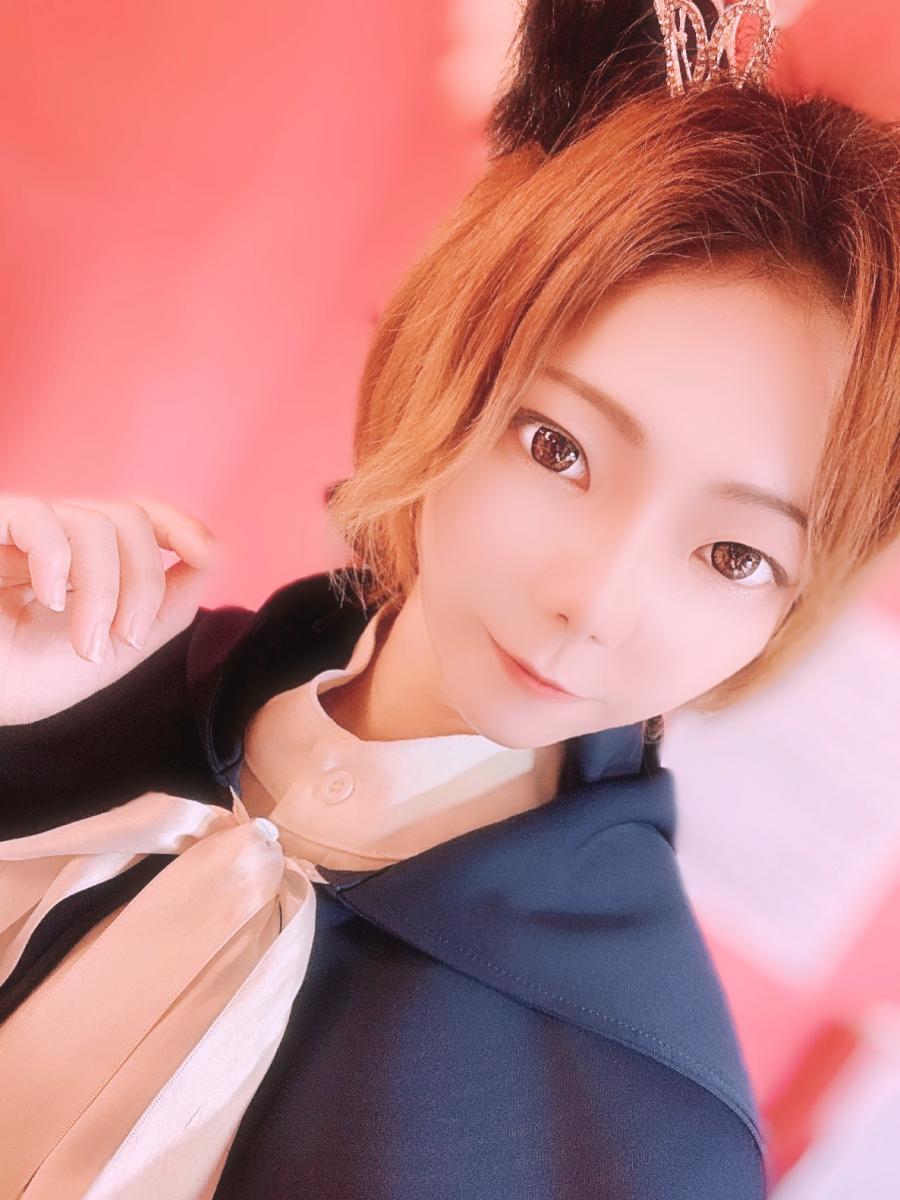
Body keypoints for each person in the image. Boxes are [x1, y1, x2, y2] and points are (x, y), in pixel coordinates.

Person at [1, 1, 898, 1197]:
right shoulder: (88, 688)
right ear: (449, 364)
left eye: (734, 557)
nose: (595, 602)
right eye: (558, 448)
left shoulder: (640, 1134)